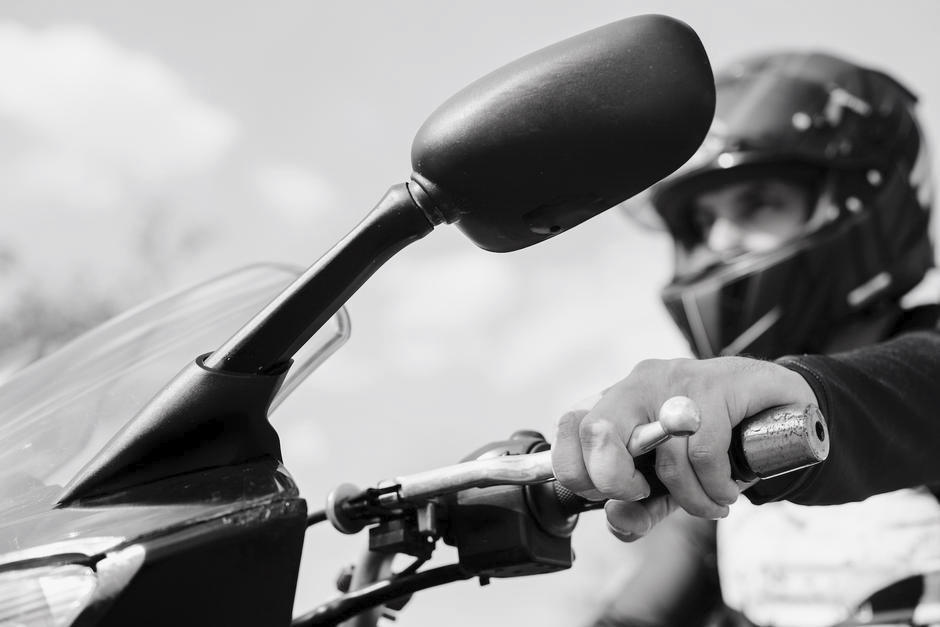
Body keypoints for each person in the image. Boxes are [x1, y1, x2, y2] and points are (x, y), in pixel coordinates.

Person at [552, 50, 940, 626]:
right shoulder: (722, 467)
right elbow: (645, 608)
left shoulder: (921, 373)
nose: (721, 240)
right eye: (702, 223)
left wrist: (795, 400)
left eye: (758, 203)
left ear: (863, 205)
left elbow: (904, 396)